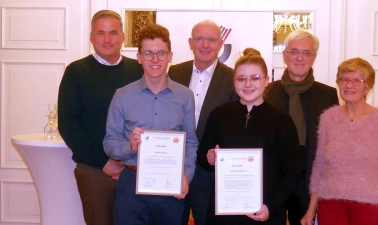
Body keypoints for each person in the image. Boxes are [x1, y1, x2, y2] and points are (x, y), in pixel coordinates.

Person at [103, 23, 198, 225]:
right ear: (139, 57)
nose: (155, 59)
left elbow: (190, 144)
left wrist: (186, 176)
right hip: (131, 184)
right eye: (148, 53)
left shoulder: (185, 96)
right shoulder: (122, 96)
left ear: (170, 56)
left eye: (161, 53)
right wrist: (131, 146)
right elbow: (109, 144)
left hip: (171, 185)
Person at [197, 48, 302, 225]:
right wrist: (210, 158)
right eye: (241, 78)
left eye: (255, 78)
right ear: (234, 81)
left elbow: (292, 172)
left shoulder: (281, 120)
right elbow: (202, 158)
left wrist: (271, 206)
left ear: (266, 81)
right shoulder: (219, 115)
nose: (248, 84)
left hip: (264, 213)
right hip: (224, 213)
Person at [58, 10, 143, 225]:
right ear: (91, 38)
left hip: (136, 170)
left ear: (123, 37)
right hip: (95, 172)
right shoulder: (76, 72)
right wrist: (103, 162)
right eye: (101, 33)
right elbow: (68, 125)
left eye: (113, 32)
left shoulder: (138, 70)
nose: (107, 39)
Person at [301, 57, 378, 225]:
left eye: (356, 80)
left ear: (367, 87)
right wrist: (311, 210)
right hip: (330, 206)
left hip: (371, 207)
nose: (349, 85)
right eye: (344, 79)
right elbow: (319, 166)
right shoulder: (328, 118)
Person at [264, 30, 338, 224]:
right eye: (294, 51)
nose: (299, 57)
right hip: (273, 177)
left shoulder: (328, 95)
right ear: (284, 55)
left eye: (306, 53)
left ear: (314, 58)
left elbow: (333, 141)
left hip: (309, 179)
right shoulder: (267, 92)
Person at [168, 19, 238, 225]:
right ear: (190, 43)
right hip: (175, 164)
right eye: (199, 39)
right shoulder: (173, 73)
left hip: (210, 171)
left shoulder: (233, 78)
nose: (205, 45)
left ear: (220, 44)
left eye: (211, 40)